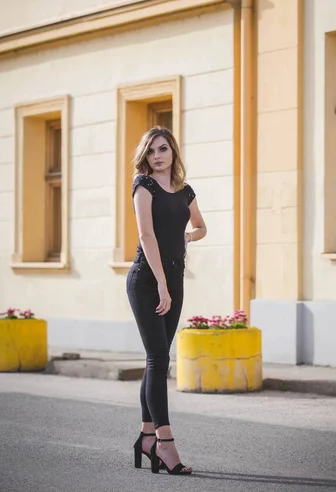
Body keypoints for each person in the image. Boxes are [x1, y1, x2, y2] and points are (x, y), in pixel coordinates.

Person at [126, 126, 207, 476]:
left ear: (173, 152)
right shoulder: (143, 186)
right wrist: (161, 283)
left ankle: (146, 437)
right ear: (146, 157)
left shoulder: (185, 191)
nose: (157, 156)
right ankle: (165, 443)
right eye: (151, 151)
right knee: (159, 359)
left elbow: (202, 226)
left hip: (173, 279)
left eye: (163, 149)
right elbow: (146, 235)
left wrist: (188, 235)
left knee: (155, 360)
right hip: (147, 280)